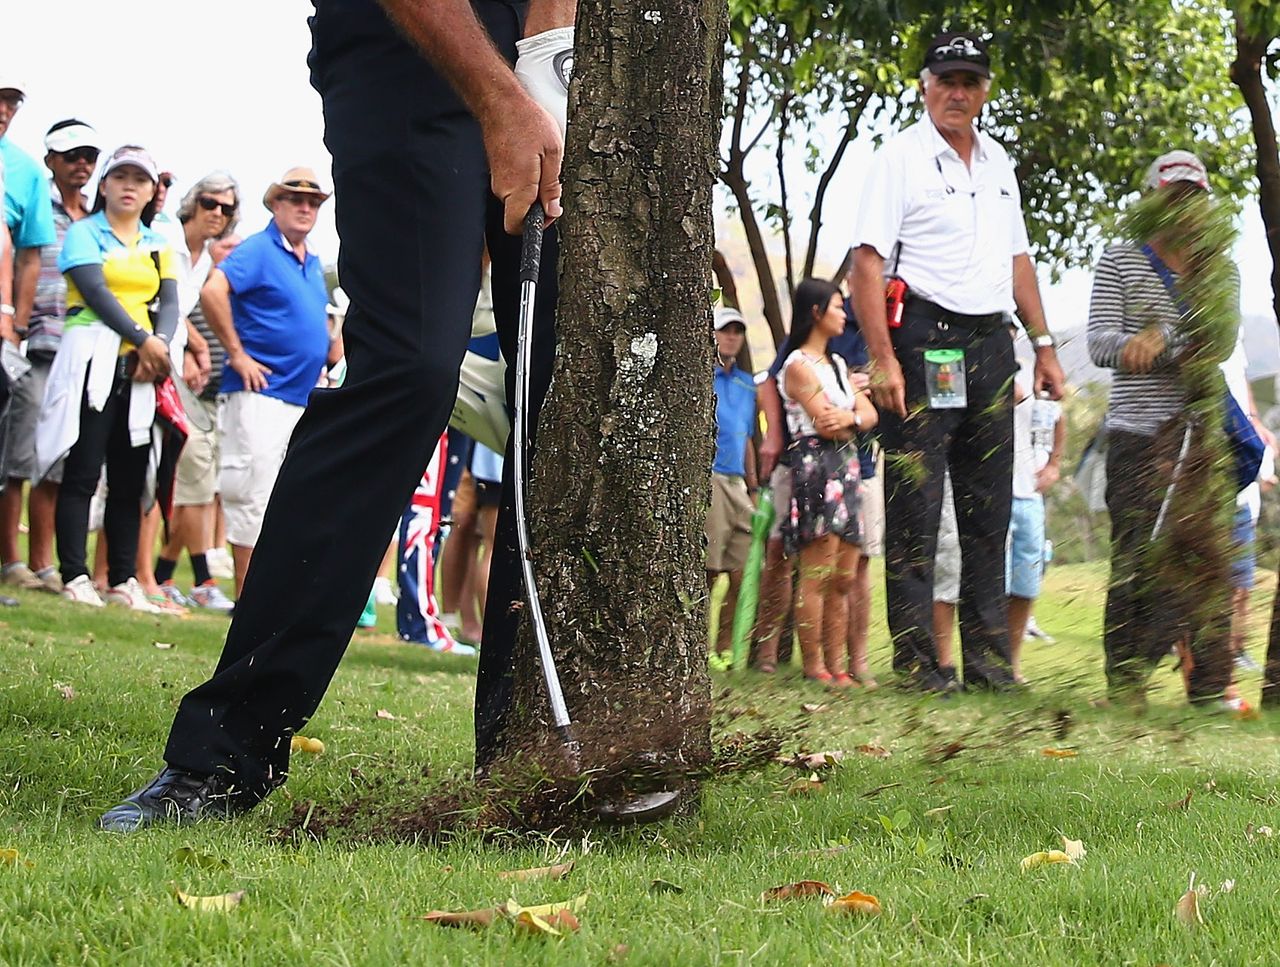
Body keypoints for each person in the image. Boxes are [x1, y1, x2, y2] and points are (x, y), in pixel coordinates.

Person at [99, 0, 568, 832]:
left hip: (544, 63)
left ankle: (524, 765)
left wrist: (544, 55)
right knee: (412, 370)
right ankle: (226, 748)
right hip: (409, 52)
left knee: (563, 393)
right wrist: (501, 98)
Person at [850, 31, 1065, 691]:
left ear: (984, 91)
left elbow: (1018, 260)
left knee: (990, 508)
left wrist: (1045, 343)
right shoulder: (900, 157)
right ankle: (919, 663)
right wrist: (882, 357)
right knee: (917, 505)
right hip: (922, 338)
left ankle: (991, 664)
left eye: (970, 81)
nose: (958, 93)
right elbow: (866, 262)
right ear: (925, 84)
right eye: (947, 79)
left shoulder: (998, 163)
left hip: (994, 344)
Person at [1087, 150, 1236, 707]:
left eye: (1193, 197)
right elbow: (1100, 342)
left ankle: (1211, 686)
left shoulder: (1220, 269)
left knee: (1203, 557)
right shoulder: (1121, 259)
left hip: (1199, 438)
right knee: (1135, 555)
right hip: (1136, 433)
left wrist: (1167, 344)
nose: (1182, 207)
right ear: (1152, 198)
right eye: (1172, 195)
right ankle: (1125, 681)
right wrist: (1132, 346)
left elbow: (1218, 344)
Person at [34, 145, 177, 611]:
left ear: (153, 190)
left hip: (138, 366)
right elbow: (95, 291)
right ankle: (75, 573)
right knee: (83, 468)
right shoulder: (84, 232)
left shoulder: (158, 243)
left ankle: (122, 578)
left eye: (140, 179)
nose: (129, 186)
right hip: (92, 356)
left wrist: (158, 344)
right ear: (105, 186)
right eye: (121, 178)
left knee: (131, 476)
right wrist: (145, 339)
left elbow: (170, 303)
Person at [199, 166, 333, 598]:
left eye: (312, 202)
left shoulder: (310, 260)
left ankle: (270, 596)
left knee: (284, 498)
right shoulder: (258, 249)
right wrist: (238, 355)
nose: (304, 207)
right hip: (259, 392)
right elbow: (212, 291)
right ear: (275, 204)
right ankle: (247, 597)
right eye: (295, 199)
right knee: (250, 491)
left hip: (297, 396)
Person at [0, 120, 98, 596]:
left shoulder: (97, 218)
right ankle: (12, 560)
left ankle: (43, 564)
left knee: (56, 459)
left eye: (89, 156)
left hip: (78, 351)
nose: (82, 164)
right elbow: (23, 260)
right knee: (18, 455)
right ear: (51, 160)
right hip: (34, 341)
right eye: (71, 155)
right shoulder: (36, 197)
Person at [777, 279, 877, 685]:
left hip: (848, 466)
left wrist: (852, 417)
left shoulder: (837, 365)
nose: (844, 314)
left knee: (844, 575)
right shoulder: (798, 365)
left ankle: (839, 667)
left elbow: (864, 417)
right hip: (817, 465)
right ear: (816, 312)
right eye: (837, 306)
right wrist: (852, 416)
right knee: (818, 571)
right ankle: (814, 665)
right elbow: (825, 422)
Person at [151, 173, 240, 612]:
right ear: (192, 204)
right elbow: (161, 299)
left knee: (190, 482)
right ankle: (156, 577)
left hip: (184, 380)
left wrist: (194, 348)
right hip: (155, 368)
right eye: (209, 203)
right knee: (178, 482)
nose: (217, 214)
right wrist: (196, 346)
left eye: (225, 209)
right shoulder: (168, 238)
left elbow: (180, 308)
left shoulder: (202, 258)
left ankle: (164, 575)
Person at [705, 306, 757, 668]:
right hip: (711, 479)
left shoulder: (746, 384)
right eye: (726, 330)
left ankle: (724, 649)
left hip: (738, 482)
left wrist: (753, 484)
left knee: (739, 574)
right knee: (708, 571)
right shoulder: (700, 377)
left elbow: (748, 436)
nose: (732, 336)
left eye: (737, 331)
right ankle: (698, 648)